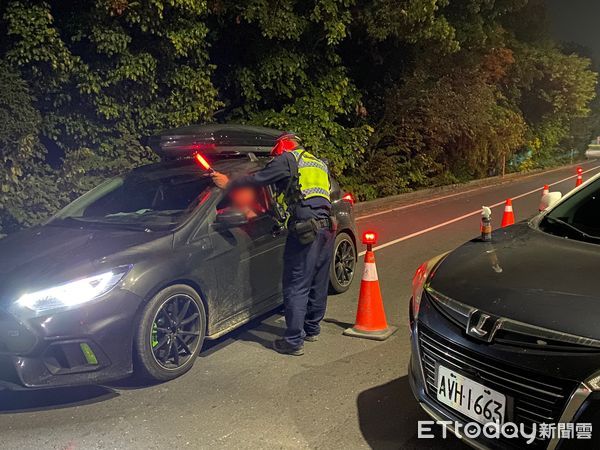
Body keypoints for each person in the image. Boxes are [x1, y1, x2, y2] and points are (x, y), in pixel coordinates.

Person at [211, 133, 334, 356]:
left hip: (306, 229)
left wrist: (229, 183)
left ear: (283, 147)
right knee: (318, 279)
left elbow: (258, 179)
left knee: (296, 284)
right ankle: (312, 328)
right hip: (327, 227)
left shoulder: (287, 159)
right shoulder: (316, 162)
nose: (274, 157)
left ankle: (294, 341)